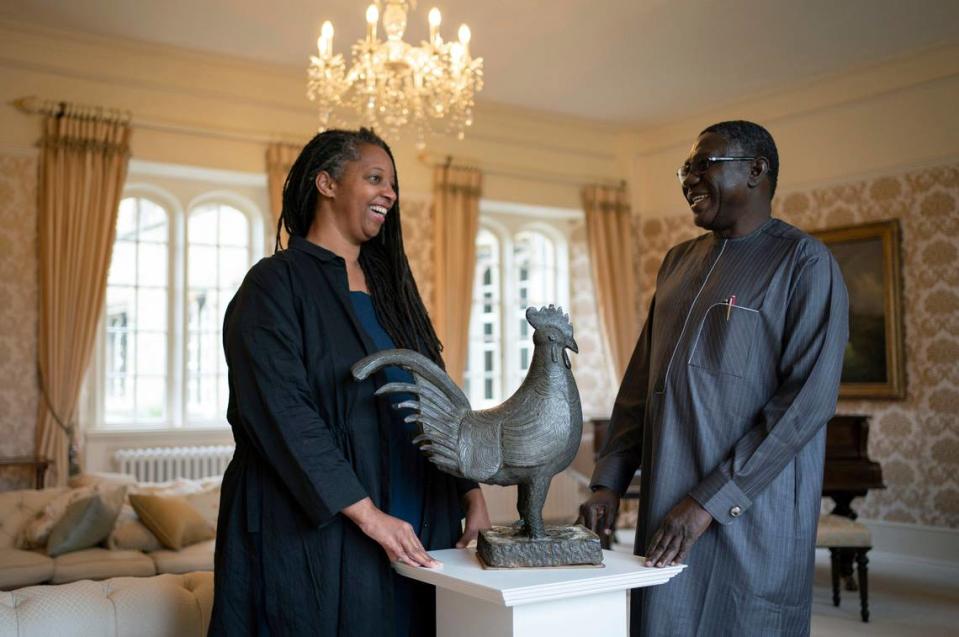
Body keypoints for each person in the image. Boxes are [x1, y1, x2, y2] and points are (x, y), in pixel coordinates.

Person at [209, 128, 491, 637]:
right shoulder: (273, 285)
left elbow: (437, 399)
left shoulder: (394, 295)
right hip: (316, 528)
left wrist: (469, 490)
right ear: (327, 183)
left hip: (418, 519)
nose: (390, 194)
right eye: (375, 178)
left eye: (393, 183)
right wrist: (369, 517)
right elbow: (282, 413)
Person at [579, 120, 848, 636]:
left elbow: (804, 406)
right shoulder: (678, 262)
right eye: (685, 168)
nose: (688, 179)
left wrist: (707, 502)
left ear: (756, 171)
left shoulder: (804, 263)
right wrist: (607, 482)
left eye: (704, 164)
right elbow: (641, 385)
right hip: (666, 509)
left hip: (751, 518)